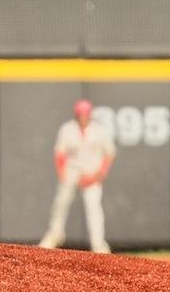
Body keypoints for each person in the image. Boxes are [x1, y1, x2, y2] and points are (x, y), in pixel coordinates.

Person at [38, 99, 116, 254]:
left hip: (91, 173)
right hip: (71, 171)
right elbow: (60, 153)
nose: (83, 117)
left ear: (90, 115)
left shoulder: (99, 130)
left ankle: (98, 244)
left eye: (86, 114)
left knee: (94, 208)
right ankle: (54, 235)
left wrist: (99, 174)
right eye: (80, 114)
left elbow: (110, 153)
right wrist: (62, 173)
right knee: (61, 204)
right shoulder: (68, 129)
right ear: (76, 114)